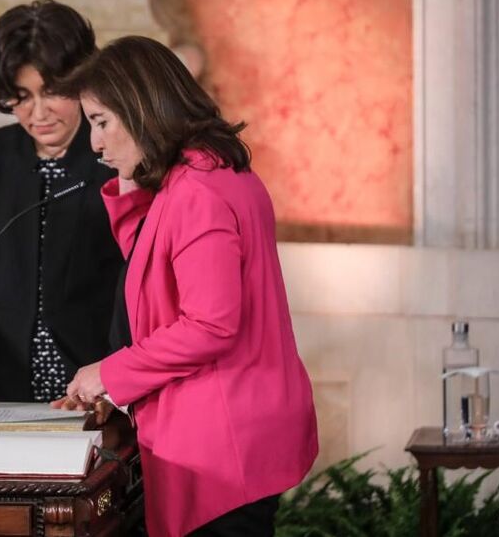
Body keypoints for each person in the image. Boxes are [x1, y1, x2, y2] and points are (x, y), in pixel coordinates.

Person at [57, 36, 318, 536]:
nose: (94, 143)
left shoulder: (197, 191)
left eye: (101, 121)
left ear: (140, 108)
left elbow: (210, 325)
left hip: (221, 441)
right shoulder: (205, 175)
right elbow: (155, 265)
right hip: (232, 427)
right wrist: (134, 177)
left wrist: (108, 374)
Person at [0, 0, 123, 413]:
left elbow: (140, 287)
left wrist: (115, 382)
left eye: (52, 93)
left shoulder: (120, 155)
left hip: (100, 396)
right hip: (2, 396)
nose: (38, 114)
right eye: (22, 97)